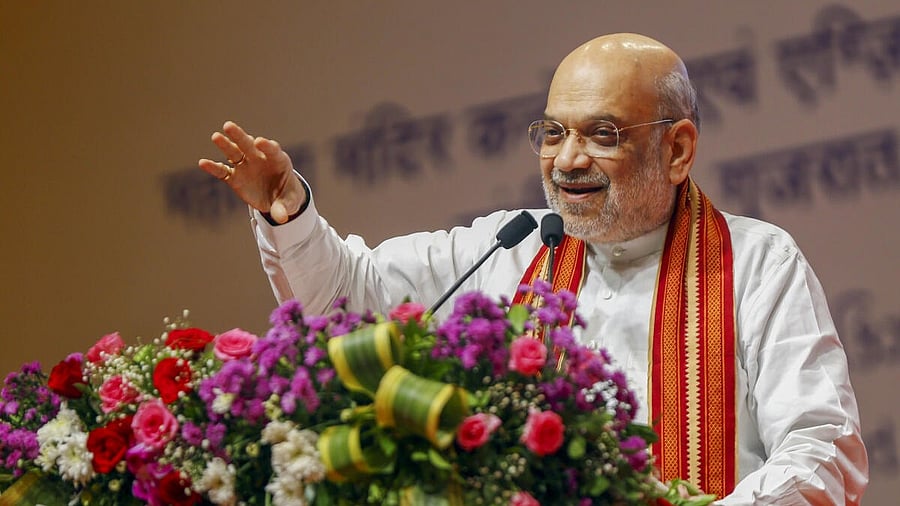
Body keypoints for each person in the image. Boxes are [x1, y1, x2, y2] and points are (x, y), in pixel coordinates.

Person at [198, 33, 868, 504]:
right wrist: (289, 212)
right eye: (553, 133)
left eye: (601, 135)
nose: (567, 160)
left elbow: (823, 447)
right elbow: (347, 301)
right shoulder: (511, 250)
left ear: (679, 149)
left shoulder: (754, 262)